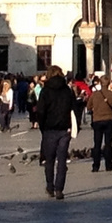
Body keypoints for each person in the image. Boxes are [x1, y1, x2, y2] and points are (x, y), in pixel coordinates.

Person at [35, 67, 77, 200]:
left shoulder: (45, 91)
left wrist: (42, 126)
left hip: (49, 129)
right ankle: (59, 189)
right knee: (62, 160)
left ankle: (50, 186)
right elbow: (74, 108)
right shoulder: (67, 90)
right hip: (65, 129)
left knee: (49, 160)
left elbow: (40, 111)